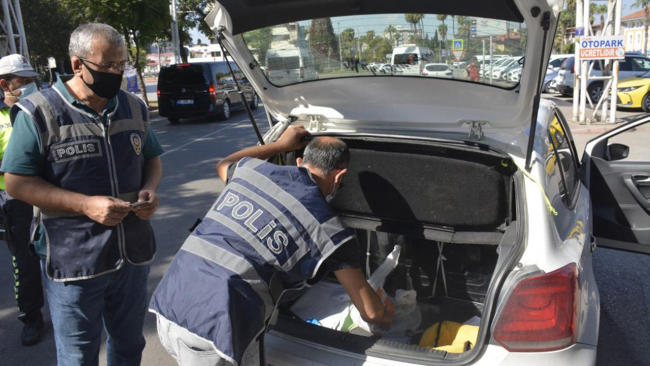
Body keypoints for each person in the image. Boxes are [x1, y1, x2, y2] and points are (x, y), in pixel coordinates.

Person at [150, 126, 393, 366]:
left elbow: (223, 164)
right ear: (339, 176)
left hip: (169, 302)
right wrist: (385, 313)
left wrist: (281, 145)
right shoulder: (329, 230)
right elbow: (371, 313)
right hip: (214, 332)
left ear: (299, 162)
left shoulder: (249, 171)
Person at [1, 23, 164, 365]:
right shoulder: (38, 112)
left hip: (132, 254)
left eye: (121, 65)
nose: (116, 73)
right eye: (107, 66)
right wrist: (86, 205)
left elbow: (151, 159)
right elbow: (16, 183)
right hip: (74, 262)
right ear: (77, 65)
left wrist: (149, 190)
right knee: (78, 357)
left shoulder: (132, 107)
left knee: (130, 346)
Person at [0, 54, 45, 346]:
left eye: (32, 80)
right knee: (25, 262)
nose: (30, 85)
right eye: (23, 81)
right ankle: (31, 317)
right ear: (4, 84)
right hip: (14, 200)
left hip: (48, 193)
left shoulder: (38, 108)